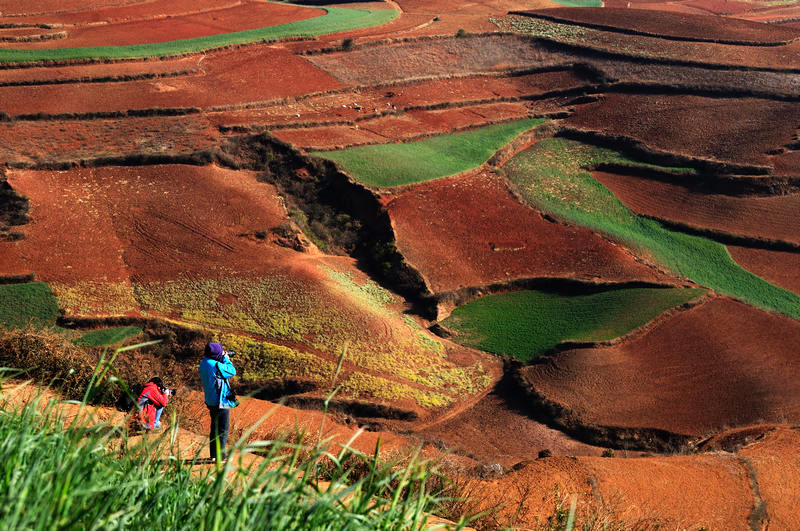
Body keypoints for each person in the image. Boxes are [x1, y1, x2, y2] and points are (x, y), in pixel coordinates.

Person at [198, 341, 237, 462]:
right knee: (222, 430)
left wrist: (219, 358)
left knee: (214, 428)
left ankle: (214, 455)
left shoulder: (204, 363)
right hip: (220, 401)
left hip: (210, 400)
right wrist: (226, 359)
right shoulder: (216, 365)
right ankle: (221, 456)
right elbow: (232, 371)